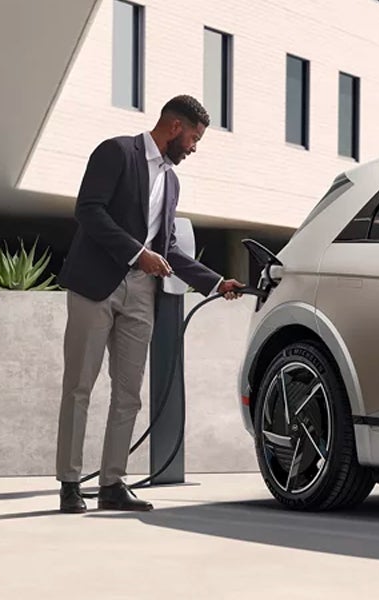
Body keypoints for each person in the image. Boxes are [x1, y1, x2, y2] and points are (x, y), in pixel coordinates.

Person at [54, 94, 243, 514]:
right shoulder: (116, 151)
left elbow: (169, 247)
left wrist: (214, 282)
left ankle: (111, 484)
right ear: (175, 128)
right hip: (94, 286)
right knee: (80, 386)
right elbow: (88, 211)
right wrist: (137, 253)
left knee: (129, 394)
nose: (194, 147)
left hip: (141, 293)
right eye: (193, 137)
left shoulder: (172, 181)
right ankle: (69, 482)